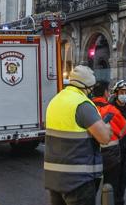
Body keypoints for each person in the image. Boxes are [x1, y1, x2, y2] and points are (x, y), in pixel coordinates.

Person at [44, 65, 112, 205]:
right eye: (92, 87)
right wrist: (106, 126)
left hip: (54, 179)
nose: (92, 91)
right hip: (78, 182)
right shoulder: (82, 105)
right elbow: (104, 138)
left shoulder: (55, 100)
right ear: (86, 86)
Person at [91, 80, 126, 205]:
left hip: (91, 155)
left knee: (91, 188)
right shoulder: (112, 110)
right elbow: (124, 129)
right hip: (111, 156)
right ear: (106, 93)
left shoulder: (88, 108)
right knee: (109, 189)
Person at [109, 80, 126, 205]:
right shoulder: (110, 109)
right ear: (116, 93)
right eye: (121, 92)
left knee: (123, 179)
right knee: (113, 180)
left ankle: (120, 201)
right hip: (113, 150)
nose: (124, 95)